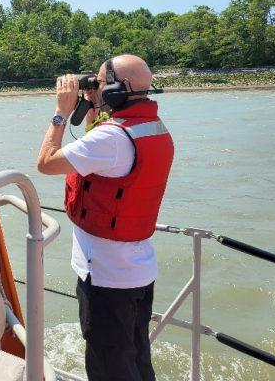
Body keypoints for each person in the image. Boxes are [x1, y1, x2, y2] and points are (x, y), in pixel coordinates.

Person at [36, 54, 174, 381]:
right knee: (136, 358)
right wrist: (93, 109)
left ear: (115, 89)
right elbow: (101, 155)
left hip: (105, 276)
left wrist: (61, 112)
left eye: (99, 83)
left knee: (108, 369)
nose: (94, 87)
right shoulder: (151, 129)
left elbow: (46, 163)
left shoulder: (110, 139)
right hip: (137, 271)